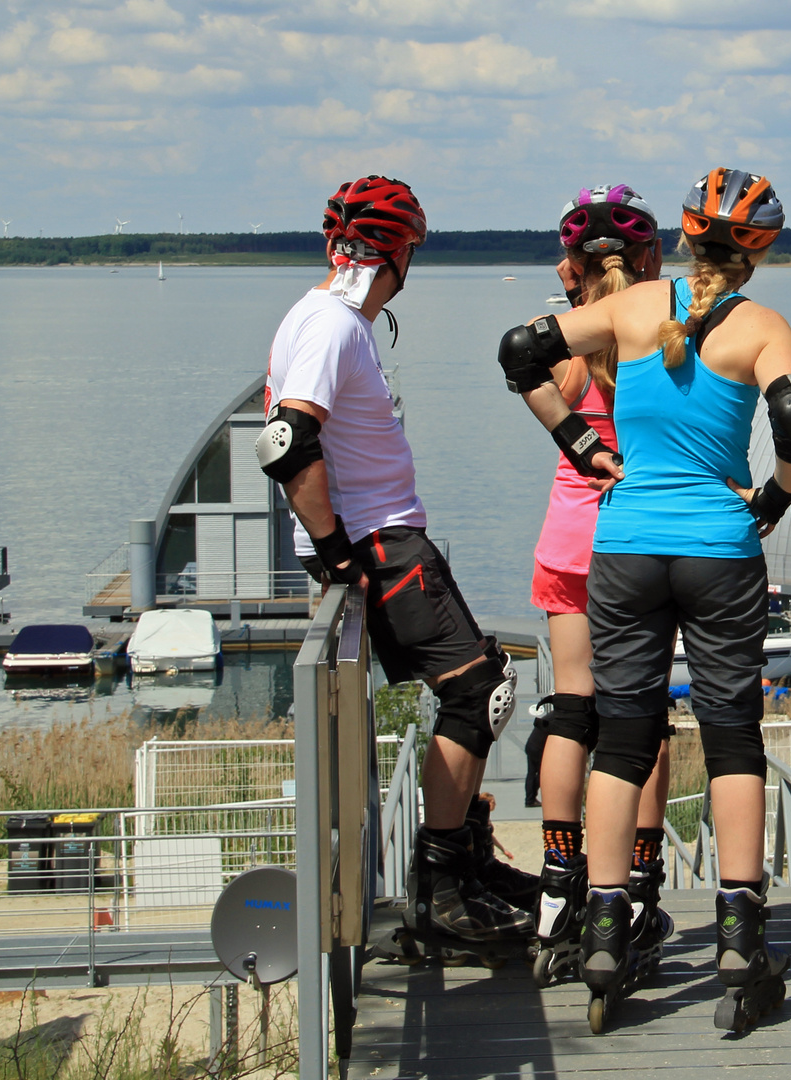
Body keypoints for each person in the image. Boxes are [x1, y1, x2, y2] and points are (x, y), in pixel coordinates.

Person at [497, 167, 791, 1032]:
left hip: (626, 544)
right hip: (719, 546)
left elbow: (519, 351)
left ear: (680, 240)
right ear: (757, 254)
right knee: (731, 738)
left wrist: (578, 443)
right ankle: (740, 942)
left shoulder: (633, 309)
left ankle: (603, 929)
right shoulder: (762, 327)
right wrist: (773, 500)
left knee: (622, 735)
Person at [256, 175, 534, 958]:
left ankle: (461, 868)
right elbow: (287, 440)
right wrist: (341, 551)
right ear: (400, 253)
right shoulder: (332, 326)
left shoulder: (330, 320)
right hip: (380, 545)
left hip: (382, 540)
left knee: (476, 687)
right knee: (480, 689)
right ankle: (443, 888)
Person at [519, 185, 676, 986]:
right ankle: (639, 881)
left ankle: (556, 884)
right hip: (640, 542)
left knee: (570, 709)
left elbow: (540, 385)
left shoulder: (561, 348)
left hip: (568, 543)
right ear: (652, 260)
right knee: (639, 718)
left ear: (569, 266)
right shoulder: (661, 335)